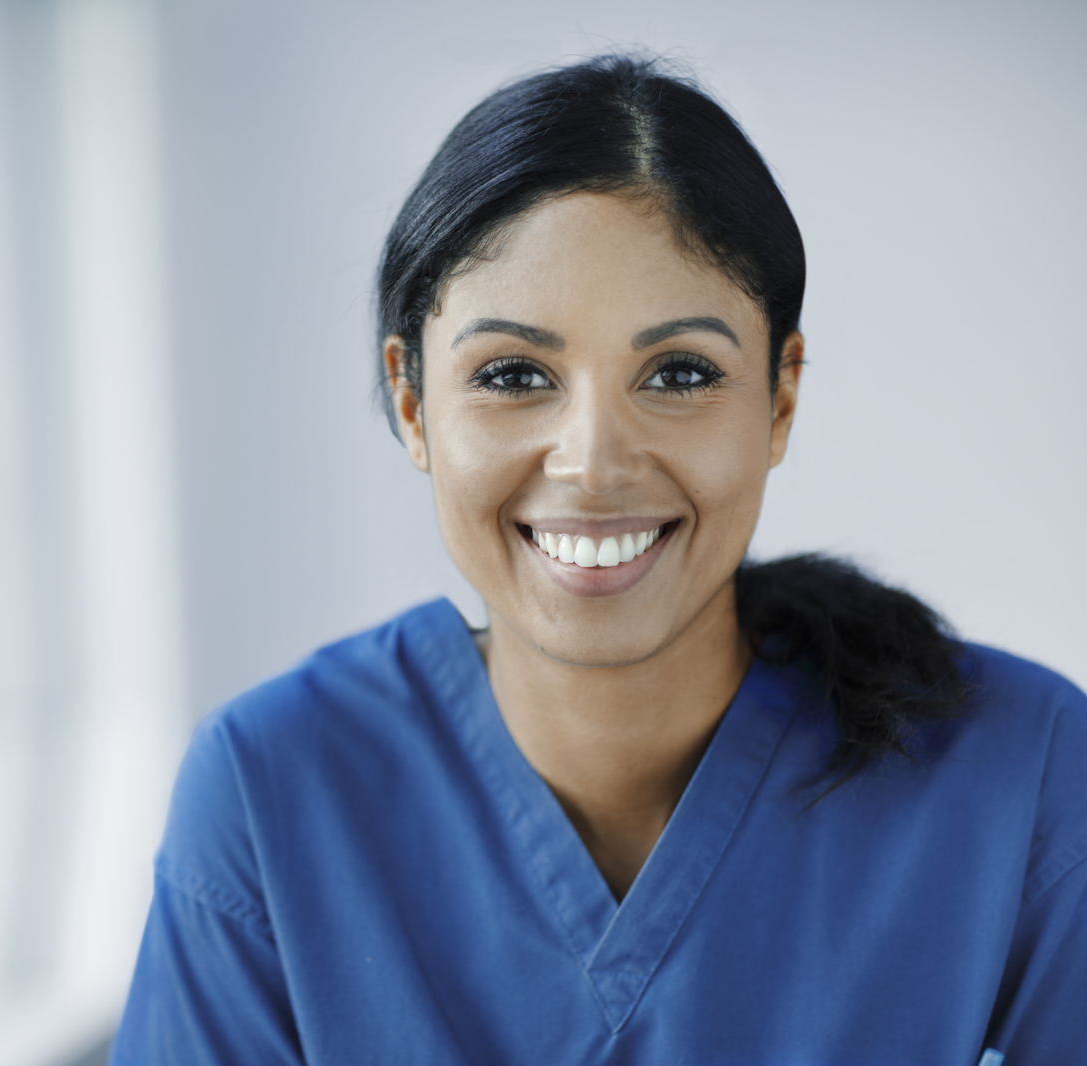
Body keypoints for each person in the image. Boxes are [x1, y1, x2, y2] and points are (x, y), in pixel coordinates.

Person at [109, 55, 1086, 1065]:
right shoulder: (271, 789)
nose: (592, 463)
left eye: (677, 373)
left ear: (778, 400)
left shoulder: (1029, 775)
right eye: (513, 374)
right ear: (412, 403)